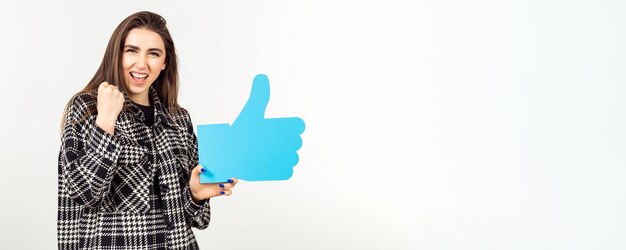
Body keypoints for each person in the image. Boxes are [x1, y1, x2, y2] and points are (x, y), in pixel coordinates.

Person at [57, 11, 237, 249]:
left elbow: (196, 220)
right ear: (116, 55)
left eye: (153, 54)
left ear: (164, 63)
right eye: (131, 50)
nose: (141, 64)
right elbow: (85, 194)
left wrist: (195, 194)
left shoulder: (178, 120)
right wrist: (107, 121)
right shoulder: (87, 108)